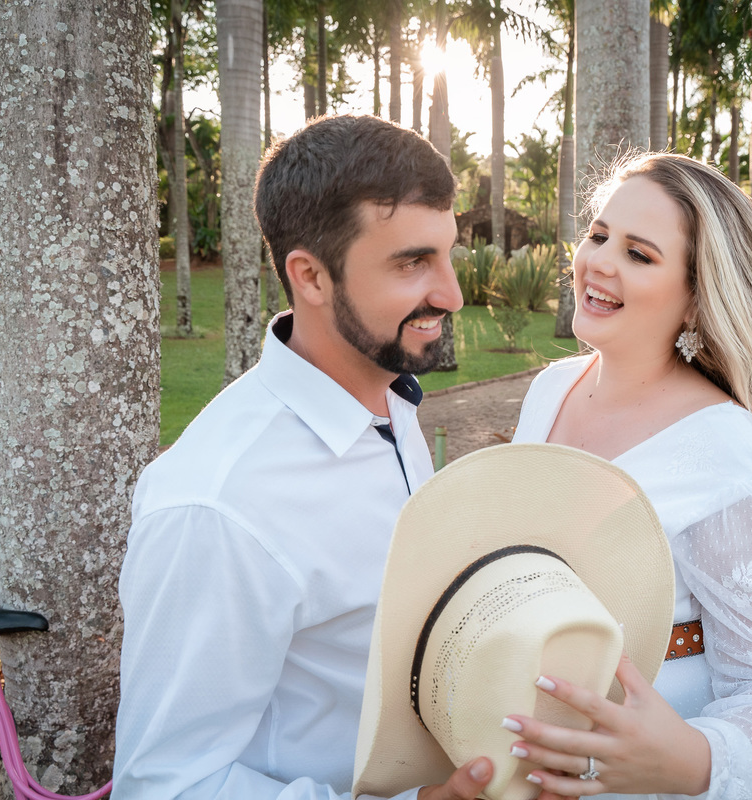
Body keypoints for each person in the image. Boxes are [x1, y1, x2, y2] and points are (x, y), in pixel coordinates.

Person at [112, 114, 495, 800]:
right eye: (412, 262)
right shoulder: (217, 505)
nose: (451, 294)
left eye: (447, 254)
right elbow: (164, 787)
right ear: (311, 277)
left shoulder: (391, 406)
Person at [504, 152, 752, 800]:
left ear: (695, 297)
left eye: (639, 254)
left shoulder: (730, 458)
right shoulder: (550, 389)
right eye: (598, 235)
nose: (598, 262)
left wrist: (689, 761)